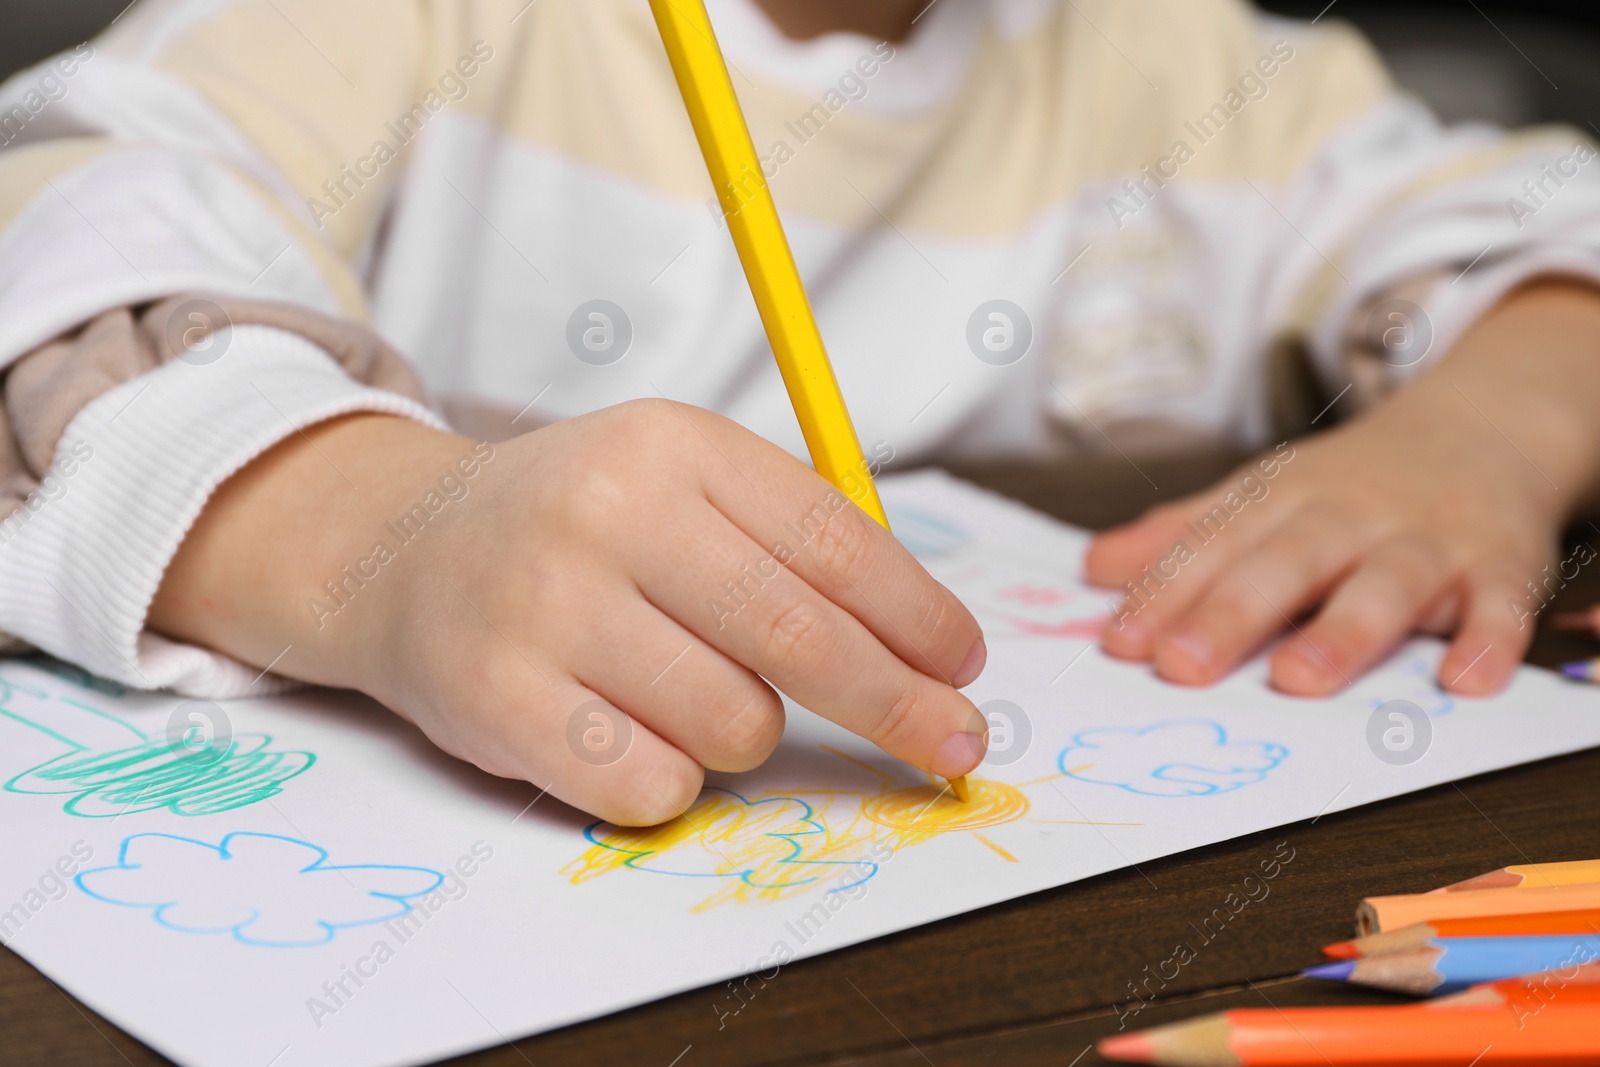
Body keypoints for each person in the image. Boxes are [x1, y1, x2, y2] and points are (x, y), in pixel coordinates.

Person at [1, 0, 1598, 824]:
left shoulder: (1162, 60)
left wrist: (1490, 428)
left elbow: (1546, 218)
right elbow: (63, 224)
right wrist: (358, 527)